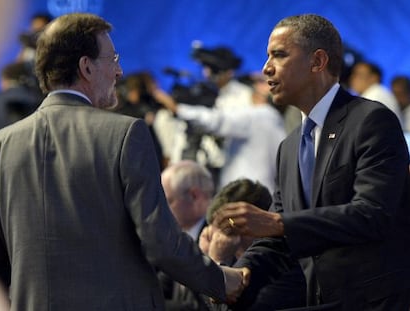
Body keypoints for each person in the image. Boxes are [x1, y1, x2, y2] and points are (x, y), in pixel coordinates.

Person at [0, 13, 247, 310]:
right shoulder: (126, 133)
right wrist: (222, 280)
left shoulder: (1, 145)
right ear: (86, 67)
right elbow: (161, 243)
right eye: (113, 58)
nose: (119, 71)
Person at [213, 14, 410, 310]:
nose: (266, 67)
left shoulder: (371, 121)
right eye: (268, 56)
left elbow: (372, 214)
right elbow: (279, 237)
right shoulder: (289, 146)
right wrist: (240, 272)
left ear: (317, 61)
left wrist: (278, 222)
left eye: (278, 55)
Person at [153, 72, 286, 194]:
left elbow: (218, 120)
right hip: (263, 191)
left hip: (244, 193)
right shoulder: (275, 119)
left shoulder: (255, 116)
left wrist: (178, 109)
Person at [200, 178, 306, 311]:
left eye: (222, 229)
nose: (214, 239)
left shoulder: (279, 264)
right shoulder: (234, 260)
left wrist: (216, 261)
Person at [158, 160, 215, 311]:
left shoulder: (218, 237)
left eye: (167, 201)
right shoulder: (176, 237)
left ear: (194, 196)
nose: (160, 210)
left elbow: (203, 307)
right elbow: (160, 287)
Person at [349, 61, 402, 126]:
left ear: (374, 78)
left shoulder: (375, 95)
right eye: (353, 75)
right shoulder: (380, 92)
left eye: (359, 74)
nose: (353, 78)